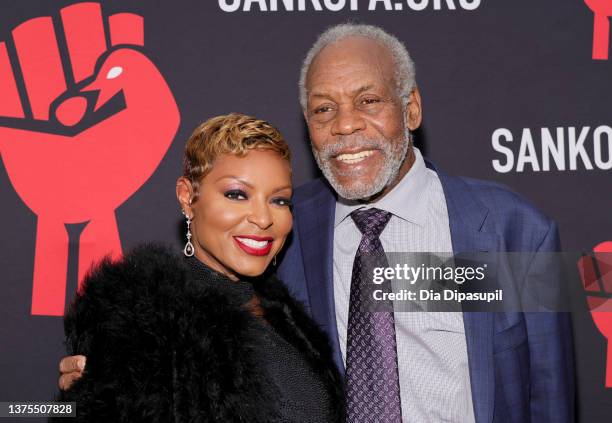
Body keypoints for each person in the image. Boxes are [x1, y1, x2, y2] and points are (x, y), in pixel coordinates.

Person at [60, 24, 575, 422]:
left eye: (369, 101)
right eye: (323, 108)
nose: (346, 125)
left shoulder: (512, 231)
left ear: (412, 108)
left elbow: (550, 399)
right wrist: (95, 394)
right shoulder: (283, 229)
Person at [55, 113, 343, 422]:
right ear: (187, 197)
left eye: (279, 201)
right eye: (236, 195)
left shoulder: (288, 317)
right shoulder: (147, 320)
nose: (263, 218)